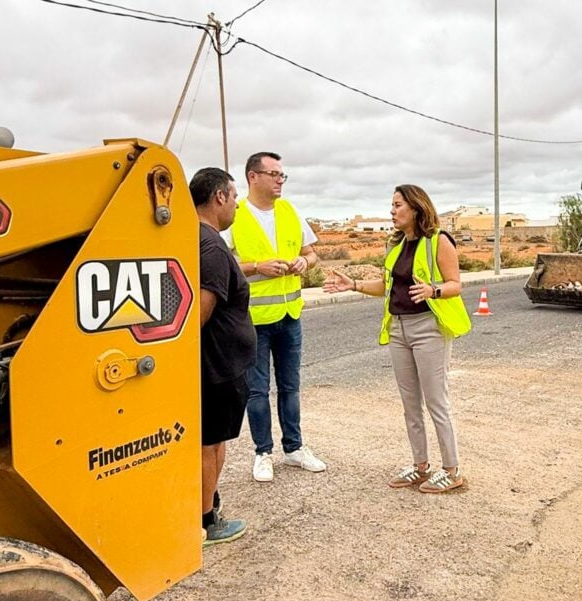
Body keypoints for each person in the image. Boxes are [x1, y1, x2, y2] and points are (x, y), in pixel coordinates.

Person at [323, 185, 472, 493]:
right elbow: (387, 286)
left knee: (436, 401)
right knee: (409, 403)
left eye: (397, 205)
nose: (392, 211)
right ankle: (420, 467)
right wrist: (353, 284)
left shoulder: (438, 241)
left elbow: (456, 284)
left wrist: (434, 290)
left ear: (415, 209)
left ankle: (452, 470)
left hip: (428, 327)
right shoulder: (396, 244)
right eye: (391, 205)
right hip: (399, 329)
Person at [226, 152, 326, 483]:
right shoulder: (234, 216)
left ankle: (294, 448)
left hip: (290, 315)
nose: (280, 180)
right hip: (253, 320)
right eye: (274, 174)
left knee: (290, 386)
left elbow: (312, 253)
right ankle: (262, 453)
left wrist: (304, 263)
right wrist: (257, 267)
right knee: (257, 390)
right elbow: (219, 264)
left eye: (282, 175)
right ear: (253, 177)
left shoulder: (289, 211)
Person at [190, 167, 256, 545]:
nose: (234, 204)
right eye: (233, 196)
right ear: (218, 197)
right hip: (217, 368)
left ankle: (204, 507)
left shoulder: (196, 239)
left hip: (213, 364)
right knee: (210, 444)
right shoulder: (212, 246)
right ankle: (206, 522)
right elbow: (199, 312)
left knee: (210, 442)